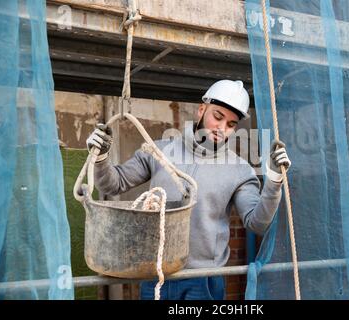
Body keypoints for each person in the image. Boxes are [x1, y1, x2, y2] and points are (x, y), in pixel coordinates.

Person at [86, 79, 291, 300]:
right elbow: (112, 184)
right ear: (201, 110)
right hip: (155, 275)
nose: (222, 129)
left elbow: (256, 223)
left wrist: (274, 180)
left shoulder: (240, 170)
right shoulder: (158, 151)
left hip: (203, 280)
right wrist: (101, 156)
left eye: (231, 124)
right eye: (218, 116)